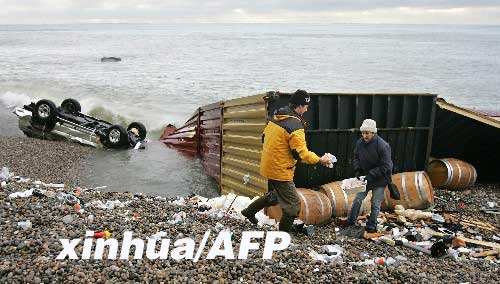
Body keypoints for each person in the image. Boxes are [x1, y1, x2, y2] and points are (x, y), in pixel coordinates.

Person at [241, 89, 332, 232]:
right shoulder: (295, 125)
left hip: (269, 165)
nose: (307, 109)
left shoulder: (276, 117)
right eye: (306, 106)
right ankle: (283, 235)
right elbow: (301, 154)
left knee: (276, 196)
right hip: (280, 169)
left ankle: (249, 211)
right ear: (300, 106)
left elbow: (263, 138)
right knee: (293, 206)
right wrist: (320, 160)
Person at [346, 119, 393, 233]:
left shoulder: (382, 145)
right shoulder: (360, 143)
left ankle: (372, 225)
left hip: (380, 179)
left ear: (373, 133)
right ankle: (351, 221)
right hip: (365, 178)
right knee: (357, 199)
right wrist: (357, 170)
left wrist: (372, 174)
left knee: (375, 204)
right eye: (363, 133)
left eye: (367, 133)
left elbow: (387, 166)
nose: (364, 135)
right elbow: (356, 156)